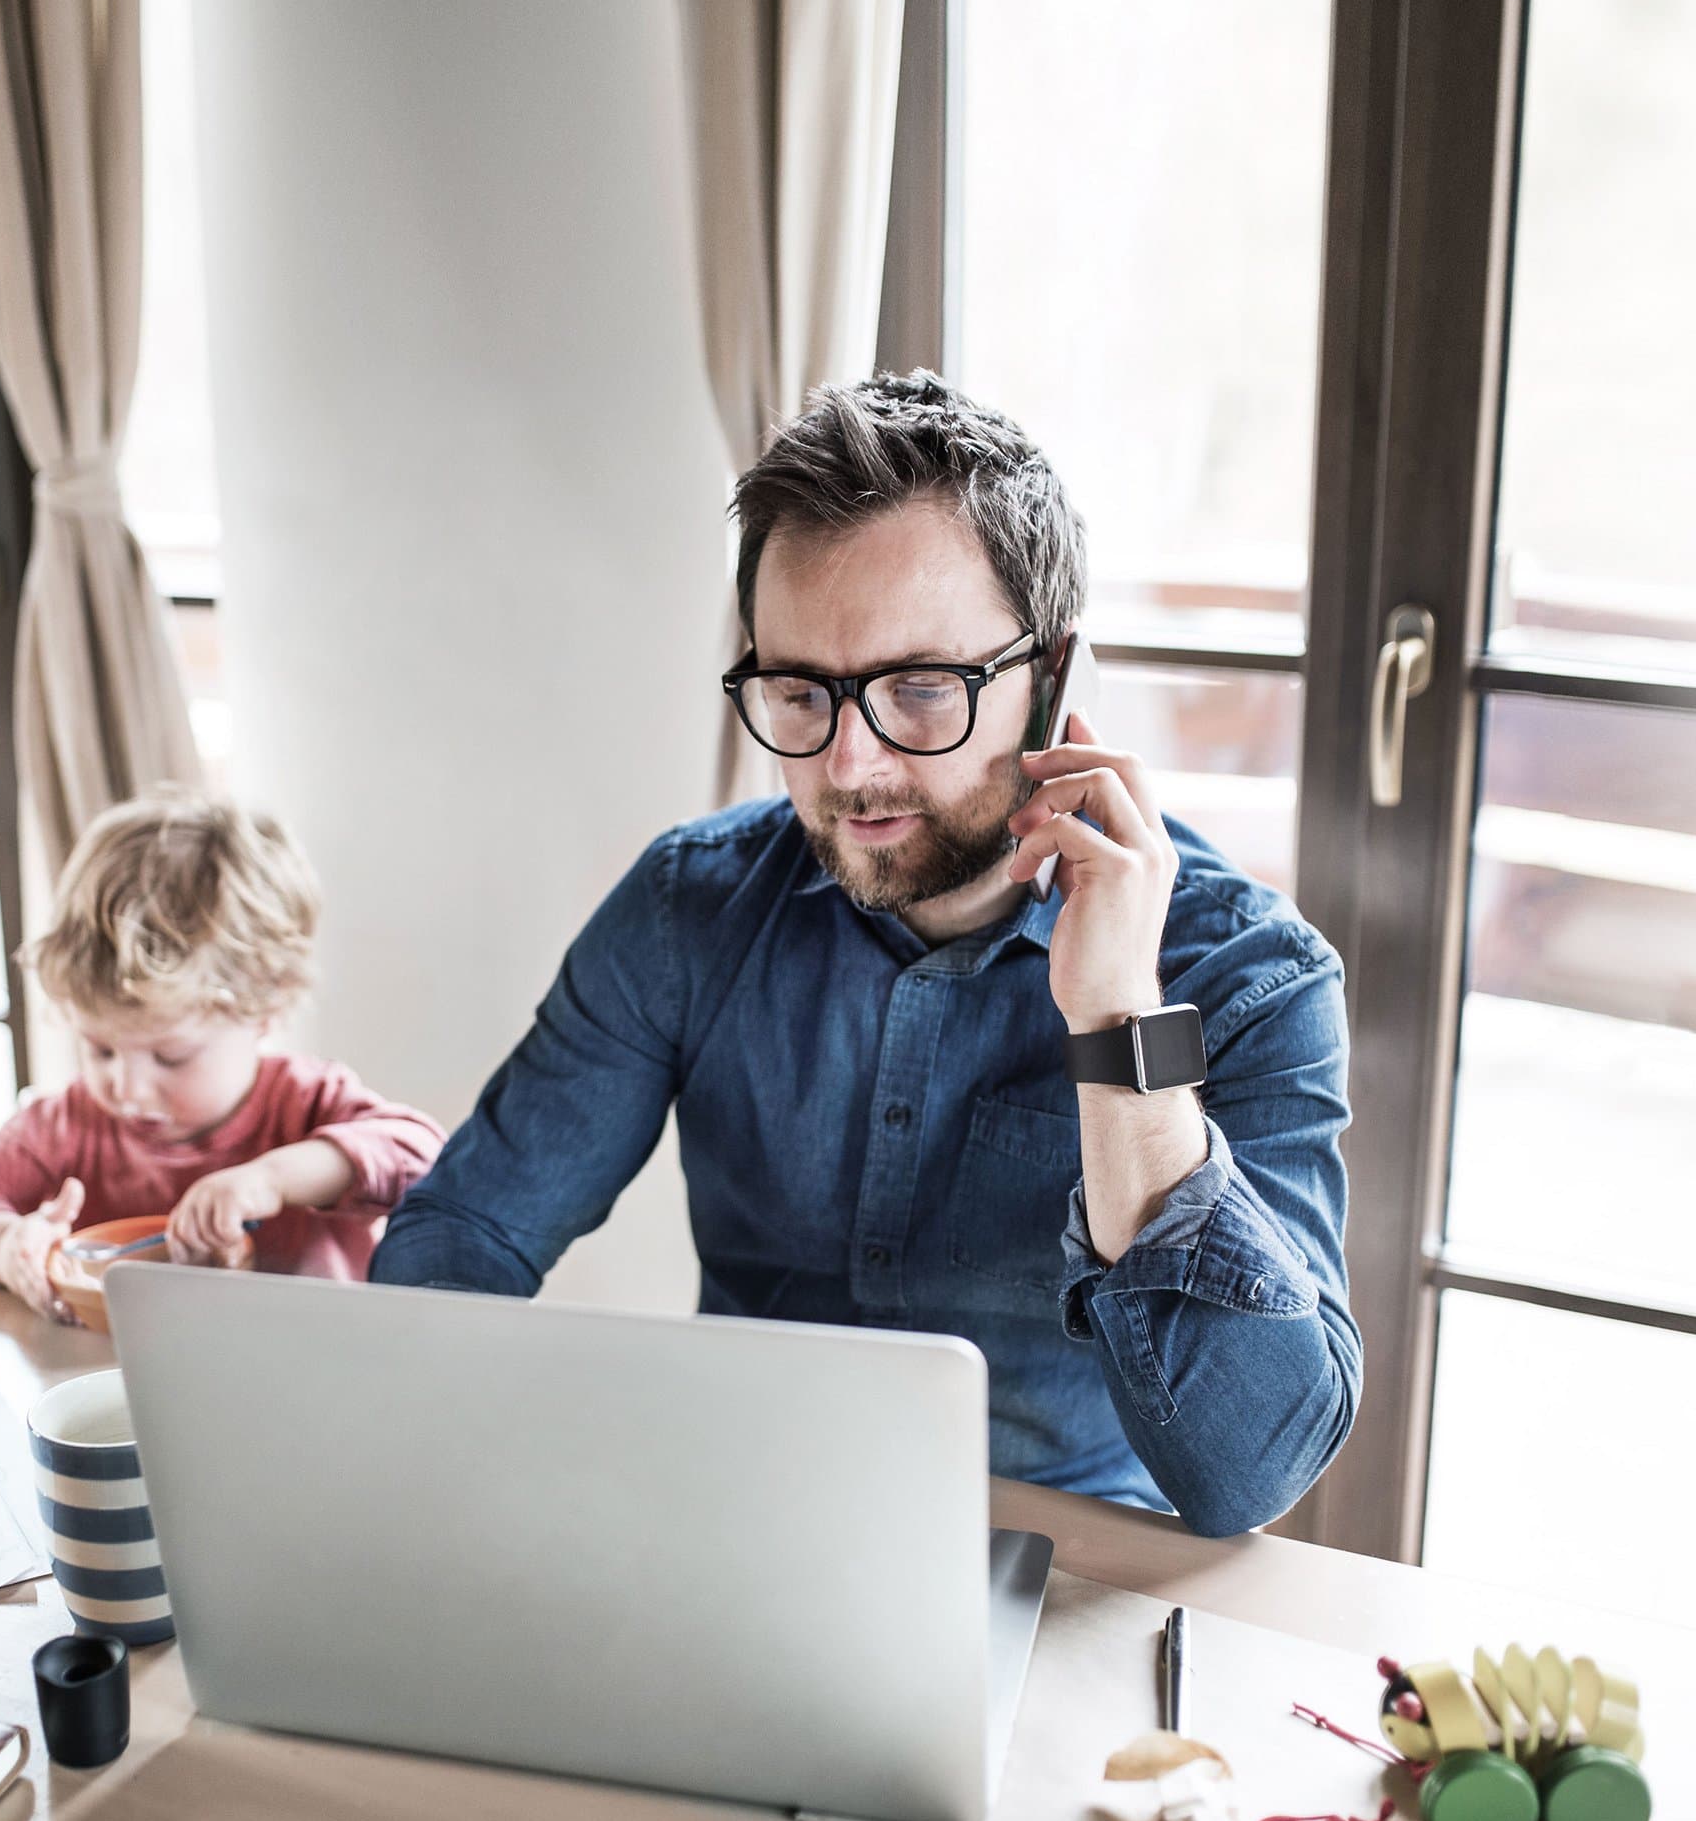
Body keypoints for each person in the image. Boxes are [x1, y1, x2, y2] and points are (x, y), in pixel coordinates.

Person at [371, 372, 1355, 1535]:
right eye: (800, 693)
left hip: (1069, 1568)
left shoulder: (1249, 977)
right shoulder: (689, 910)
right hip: (732, 1533)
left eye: (922, 691)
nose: (848, 767)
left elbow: (1252, 1472)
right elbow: (470, 1235)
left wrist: (1115, 1022)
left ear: (1051, 679)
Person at [0, 791, 445, 1323]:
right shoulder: (70, 1127)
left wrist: (272, 1179)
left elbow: (423, 1156)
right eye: (100, 1048)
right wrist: (7, 1247)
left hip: (314, 1378)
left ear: (266, 1007)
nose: (126, 1086)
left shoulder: (304, 1104)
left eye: (170, 1057)